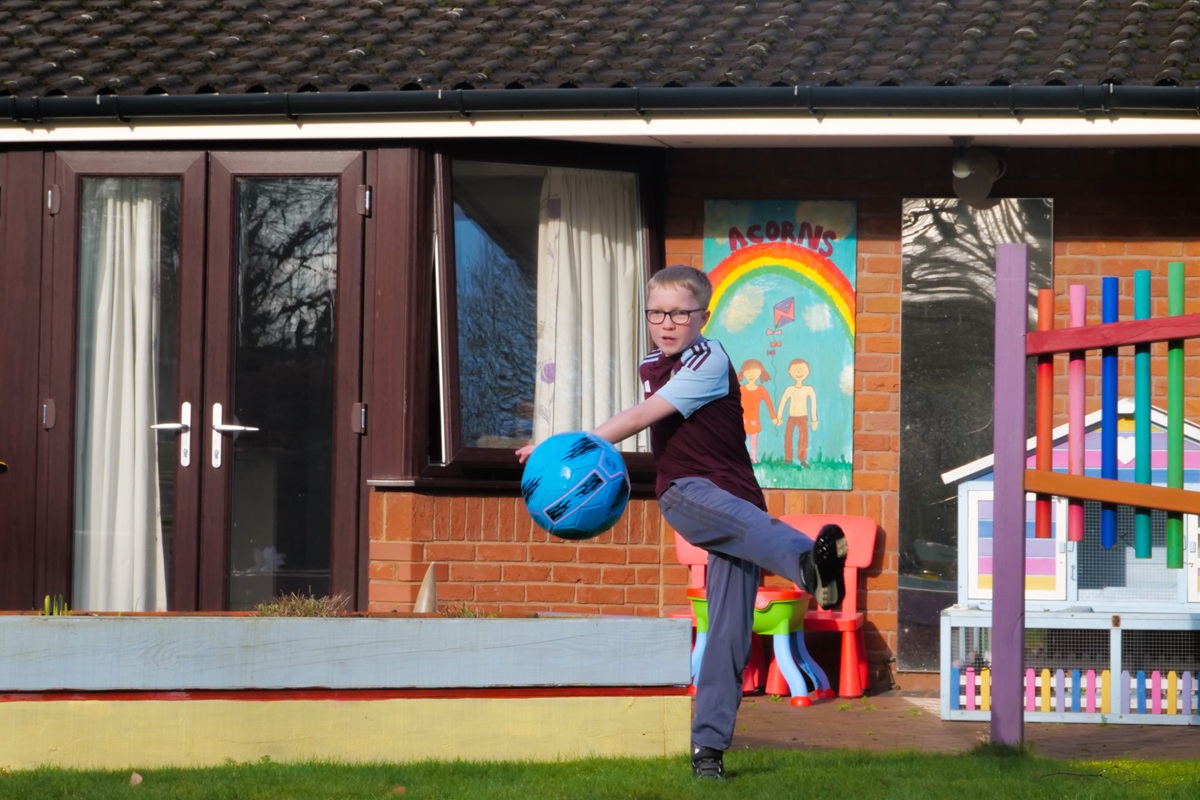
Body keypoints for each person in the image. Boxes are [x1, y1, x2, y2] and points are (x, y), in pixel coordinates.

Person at [518, 265, 847, 780]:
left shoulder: (709, 358)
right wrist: (564, 447)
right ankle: (810, 569)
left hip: (739, 505)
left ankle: (708, 752)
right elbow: (640, 414)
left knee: (729, 635)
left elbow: (644, 415)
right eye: (656, 313)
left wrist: (574, 442)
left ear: (704, 317)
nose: (666, 323)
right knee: (758, 559)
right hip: (686, 492)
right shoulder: (653, 361)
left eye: (679, 313)